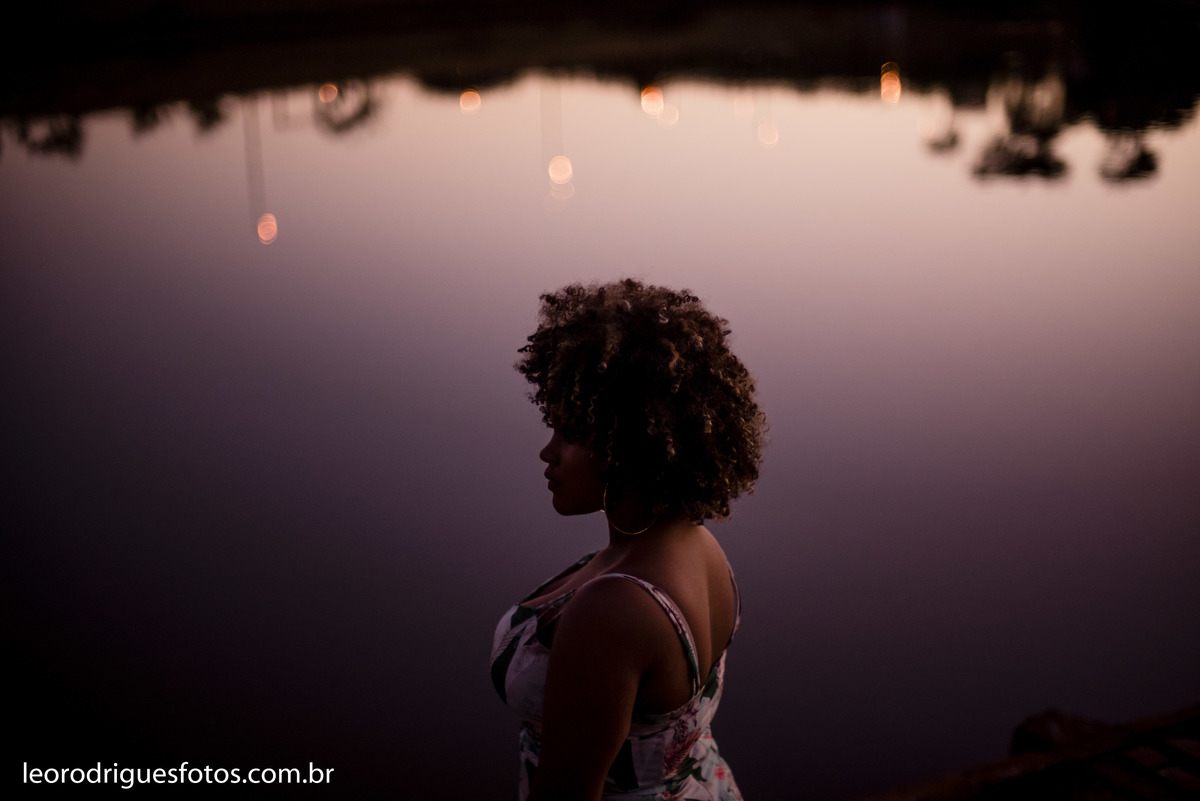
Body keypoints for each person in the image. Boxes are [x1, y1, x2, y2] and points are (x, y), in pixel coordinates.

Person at [491, 279, 766, 801]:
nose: (547, 453)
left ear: (632, 447)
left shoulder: (613, 613)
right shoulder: (699, 548)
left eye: (571, 433)